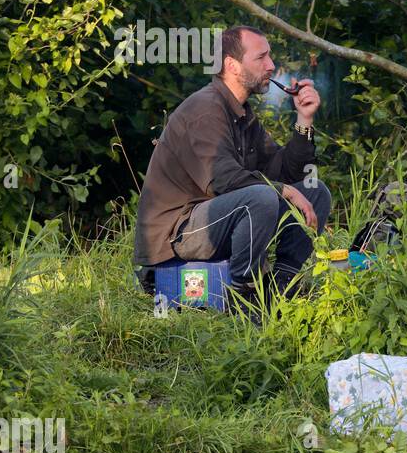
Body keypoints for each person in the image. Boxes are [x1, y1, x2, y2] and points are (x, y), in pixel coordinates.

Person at [132, 25, 331, 308]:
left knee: (314, 191)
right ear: (232, 66)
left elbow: (287, 172)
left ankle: (281, 289)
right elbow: (222, 179)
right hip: (177, 231)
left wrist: (304, 120)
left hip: (218, 220)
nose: (271, 66)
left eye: (270, 57)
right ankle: (244, 298)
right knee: (261, 196)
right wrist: (284, 191)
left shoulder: (242, 114)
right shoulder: (205, 109)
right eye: (261, 57)